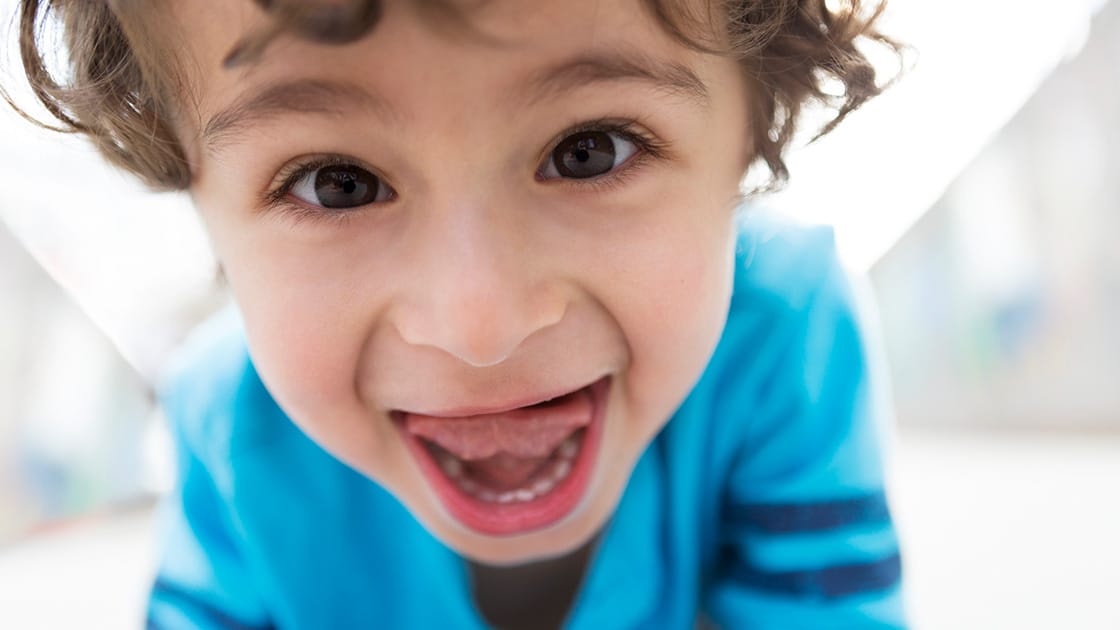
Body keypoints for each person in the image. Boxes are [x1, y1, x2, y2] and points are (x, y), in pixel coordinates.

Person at [6, 0, 907, 627]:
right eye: (338, 184)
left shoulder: (787, 334)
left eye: (590, 152)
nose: (481, 325)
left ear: (746, 148)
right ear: (193, 196)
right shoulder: (224, 424)